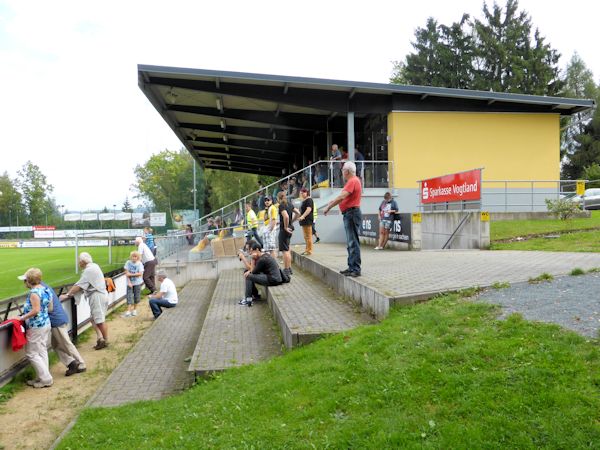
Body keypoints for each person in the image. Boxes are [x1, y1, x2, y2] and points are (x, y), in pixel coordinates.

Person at [60, 252, 110, 349]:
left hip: (97, 296)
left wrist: (68, 295)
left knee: (99, 320)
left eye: (79, 261)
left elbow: (79, 285)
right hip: (99, 295)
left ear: (83, 261)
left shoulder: (90, 270)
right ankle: (100, 338)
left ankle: (105, 340)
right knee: (94, 319)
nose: (79, 263)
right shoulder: (94, 266)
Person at [323, 161, 362, 277]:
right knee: (351, 242)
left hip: (351, 214)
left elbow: (342, 196)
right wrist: (332, 202)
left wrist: (329, 207)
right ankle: (352, 267)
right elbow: (343, 197)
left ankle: (355, 268)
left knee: (352, 242)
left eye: (343, 169)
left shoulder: (352, 181)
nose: (341, 171)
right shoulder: (354, 181)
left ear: (347, 171)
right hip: (350, 213)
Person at [17, 268, 53, 388]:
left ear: (29, 281)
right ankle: (42, 376)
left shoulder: (34, 293)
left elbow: (36, 310)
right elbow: (50, 308)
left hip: (36, 326)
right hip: (45, 323)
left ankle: (46, 378)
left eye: (25, 280)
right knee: (42, 349)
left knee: (31, 353)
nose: (24, 283)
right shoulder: (46, 289)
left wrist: (22, 318)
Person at [42, 281, 86, 377]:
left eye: (26, 280)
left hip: (57, 320)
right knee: (56, 345)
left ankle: (81, 364)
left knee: (66, 343)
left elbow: (49, 308)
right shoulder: (45, 286)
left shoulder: (42, 289)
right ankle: (72, 363)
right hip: (58, 319)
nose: (25, 283)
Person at [238, 241, 283, 307]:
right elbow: (254, 271)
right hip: (273, 278)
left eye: (252, 251)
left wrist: (252, 259)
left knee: (248, 276)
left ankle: (248, 300)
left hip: (273, 279)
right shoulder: (264, 256)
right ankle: (255, 296)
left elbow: (253, 271)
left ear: (257, 250)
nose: (251, 253)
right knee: (248, 274)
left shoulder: (262, 259)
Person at [277, 191, 299, 277]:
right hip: (290, 228)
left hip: (285, 230)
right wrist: (291, 221)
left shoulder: (281, 205)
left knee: (285, 251)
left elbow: (285, 216)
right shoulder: (290, 204)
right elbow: (298, 213)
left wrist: (286, 227)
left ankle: (286, 269)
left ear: (279, 198)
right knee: (287, 249)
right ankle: (289, 268)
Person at [122, 251, 144, 317]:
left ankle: (134, 310)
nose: (134, 258)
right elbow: (126, 273)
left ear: (138, 257)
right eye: (133, 256)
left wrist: (131, 274)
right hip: (129, 283)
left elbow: (140, 273)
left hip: (137, 283)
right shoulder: (128, 263)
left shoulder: (140, 264)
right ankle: (128, 310)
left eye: (135, 256)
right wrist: (129, 282)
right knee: (129, 296)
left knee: (136, 296)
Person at [298, 188, 314, 255]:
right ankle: (307, 249)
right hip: (304, 220)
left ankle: (309, 250)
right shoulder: (304, 200)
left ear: (307, 192)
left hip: (307, 220)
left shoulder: (309, 200)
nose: (302, 194)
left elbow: (309, 209)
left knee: (308, 236)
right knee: (306, 236)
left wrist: (303, 216)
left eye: (304, 192)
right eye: (301, 193)